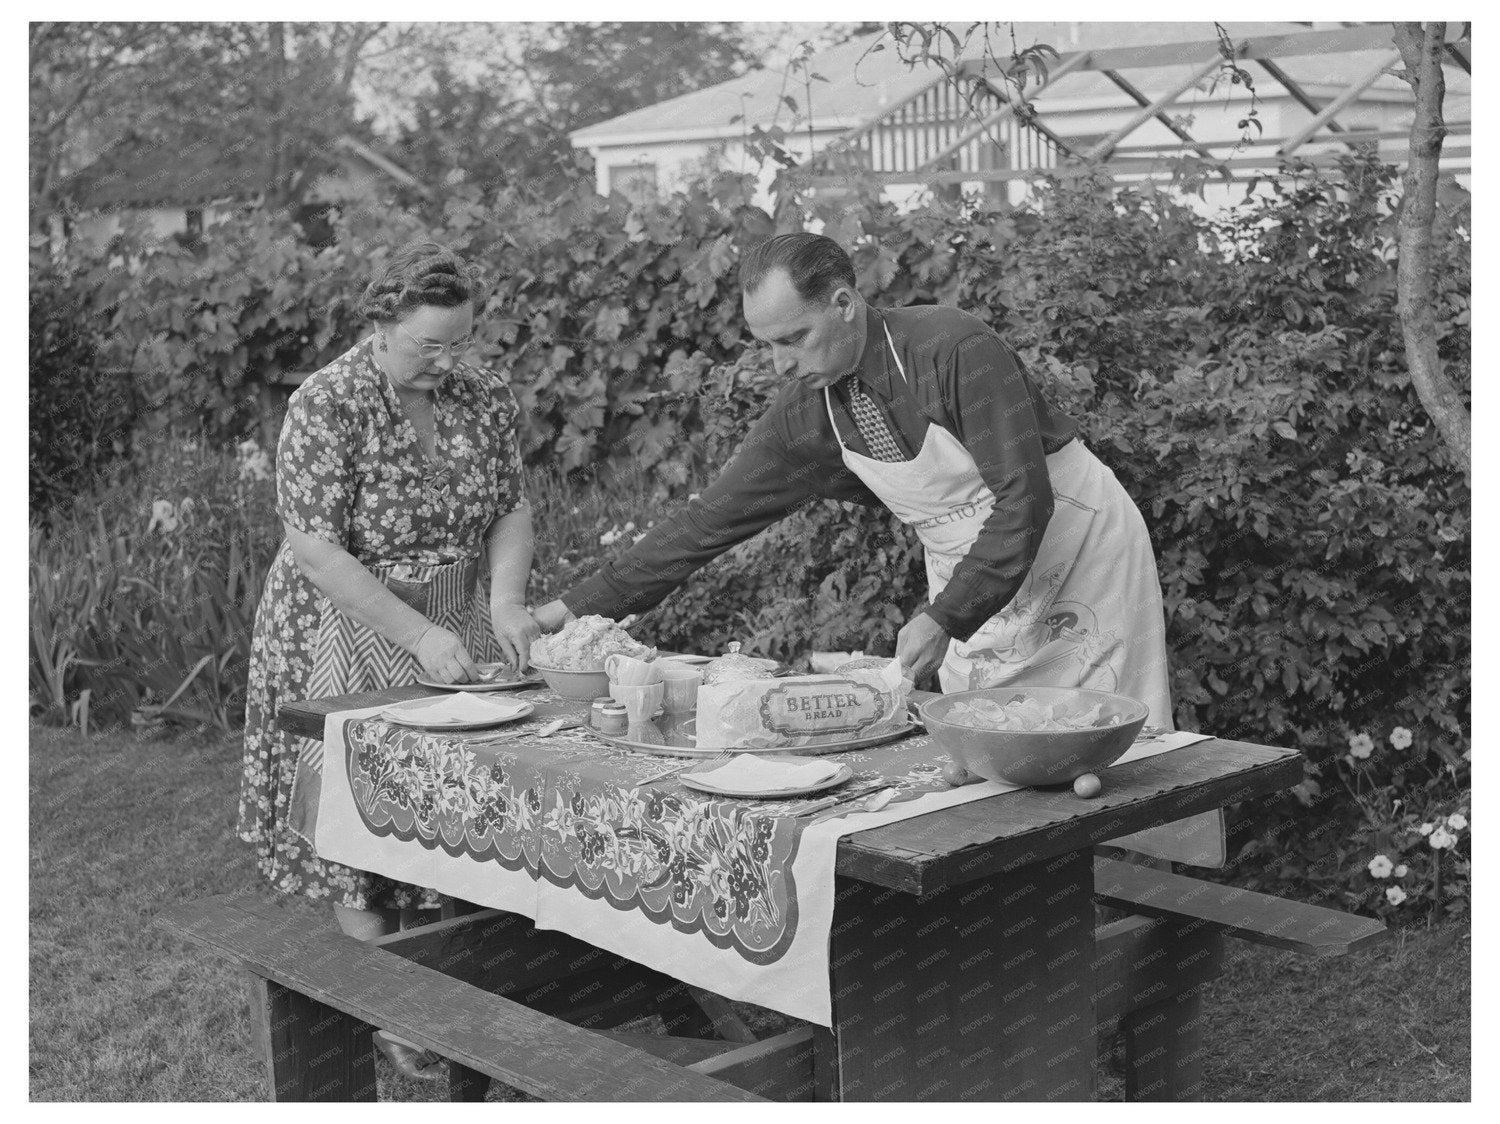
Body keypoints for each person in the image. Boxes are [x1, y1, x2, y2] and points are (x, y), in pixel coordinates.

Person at [534, 232, 1173, 722]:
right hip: (973, 586)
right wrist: (561, 614)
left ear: (843, 303)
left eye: (794, 338)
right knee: (996, 754)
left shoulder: (953, 348)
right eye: (767, 345)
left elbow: (1025, 501)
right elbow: (704, 524)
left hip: (1080, 550)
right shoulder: (806, 415)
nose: (780, 364)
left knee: (1112, 745)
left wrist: (946, 616)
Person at [237, 240, 539, 1078]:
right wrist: (417, 636)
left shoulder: (484, 396)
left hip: (455, 617)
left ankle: (456, 984)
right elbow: (315, 547)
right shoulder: (327, 401)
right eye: (429, 344)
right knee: (356, 823)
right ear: (381, 325)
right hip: (346, 625)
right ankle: (396, 1011)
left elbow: (510, 508)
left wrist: (506, 602)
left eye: (460, 343)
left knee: (455, 803)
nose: (448, 362)